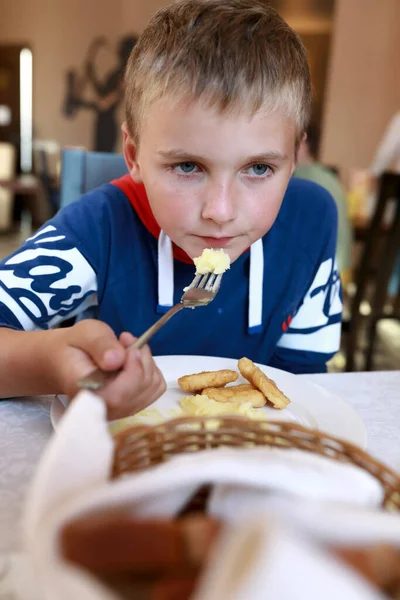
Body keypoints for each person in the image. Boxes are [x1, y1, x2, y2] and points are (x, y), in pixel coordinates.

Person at [0, 0, 342, 420]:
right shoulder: (98, 230)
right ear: (134, 156)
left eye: (258, 168)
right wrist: (51, 362)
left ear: (293, 159)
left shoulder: (310, 223)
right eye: (187, 166)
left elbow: (303, 384)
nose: (220, 210)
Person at [294, 124, 354, 286]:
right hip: (343, 269)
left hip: (322, 274)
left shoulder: (300, 178)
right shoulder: (328, 176)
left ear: (302, 142)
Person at [63, 34, 138, 152]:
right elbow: (102, 92)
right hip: (101, 123)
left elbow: (104, 104)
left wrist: (80, 103)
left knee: (102, 159)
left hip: (107, 127)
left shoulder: (124, 76)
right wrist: (92, 75)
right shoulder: (116, 73)